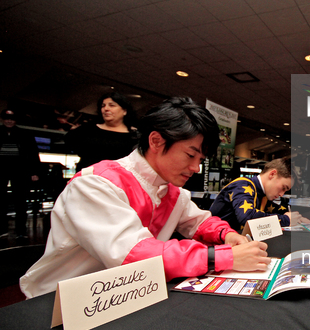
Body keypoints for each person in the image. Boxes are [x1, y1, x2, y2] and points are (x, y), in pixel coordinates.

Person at [20, 97, 270, 299]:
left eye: (201, 160)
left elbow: (199, 221)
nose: (195, 168)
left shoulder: (172, 191)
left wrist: (227, 235)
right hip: (62, 302)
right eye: (190, 155)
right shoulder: (95, 185)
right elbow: (133, 254)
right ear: (156, 141)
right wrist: (222, 256)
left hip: (124, 296)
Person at [209, 157, 310, 232]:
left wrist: (296, 218)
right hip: (213, 248)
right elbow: (247, 217)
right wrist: (286, 220)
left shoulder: (262, 196)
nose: (282, 194)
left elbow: (278, 210)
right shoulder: (242, 185)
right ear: (272, 174)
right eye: (283, 188)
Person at [65, 91, 139, 172]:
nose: (106, 109)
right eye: (103, 106)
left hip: (118, 180)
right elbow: (69, 141)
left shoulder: (134, 136)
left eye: (112, 105)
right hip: (88, 179)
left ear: (124, 111)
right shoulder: (88, 129)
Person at [0, 109, 41, 239]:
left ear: (15, 120)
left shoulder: (25, 134)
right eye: (6, 118)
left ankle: (21, 231)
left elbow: (33, 154)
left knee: (20, 201)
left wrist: (35, 172)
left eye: (11, 119)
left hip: (20, 170)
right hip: (1, 170)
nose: (9, 121)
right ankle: (1, 229)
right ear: (2, 119)